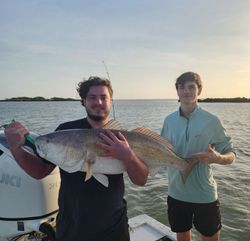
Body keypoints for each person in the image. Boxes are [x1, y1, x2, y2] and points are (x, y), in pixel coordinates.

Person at [4, 76, 149, 241]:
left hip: (114, 226)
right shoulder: (65, 131)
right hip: (73, 226)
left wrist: (128, 156)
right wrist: (16, 147)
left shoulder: (122, 138)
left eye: (103, 97)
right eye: (92, 97)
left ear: (110, 101)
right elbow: (40, 171)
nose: (99, 102)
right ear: (84, 101)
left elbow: (141, 180)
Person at [161, 72, 235, 241]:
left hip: (204, 195)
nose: (186, 91)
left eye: (191, 87)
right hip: (176, 192)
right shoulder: (168, 121)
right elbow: (161, 149)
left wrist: (218, 158)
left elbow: (231, 155)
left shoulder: (212, 121)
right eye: (181, 87)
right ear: (177, 92)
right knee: (182, 236)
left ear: (199, 90)